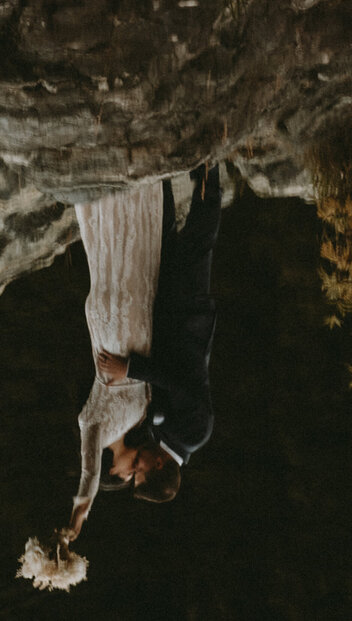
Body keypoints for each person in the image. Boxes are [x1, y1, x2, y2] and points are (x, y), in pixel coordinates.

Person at [97, 163, 221, 501]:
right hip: (189, 317)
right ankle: (209, 162)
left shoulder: (158, 434)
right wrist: (129, 368)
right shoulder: (195, 432)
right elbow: (177, 380)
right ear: (161, 465)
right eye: (141, 473)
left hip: (165, 316)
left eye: (132, 474)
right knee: (200, 229)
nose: (135, 469)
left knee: (160, 233)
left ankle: (160, 168)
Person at [62, 182, 164, 543]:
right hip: (136, 332)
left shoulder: (93, 428)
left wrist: (77, 519)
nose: (127, 475)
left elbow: (89, 474)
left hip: (114, 334)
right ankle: (131, 183)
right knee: (132, 253)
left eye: (122, 477)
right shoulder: (139, 420)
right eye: (130, 478)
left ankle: (108, 183)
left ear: (114, 471)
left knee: (113, 255)